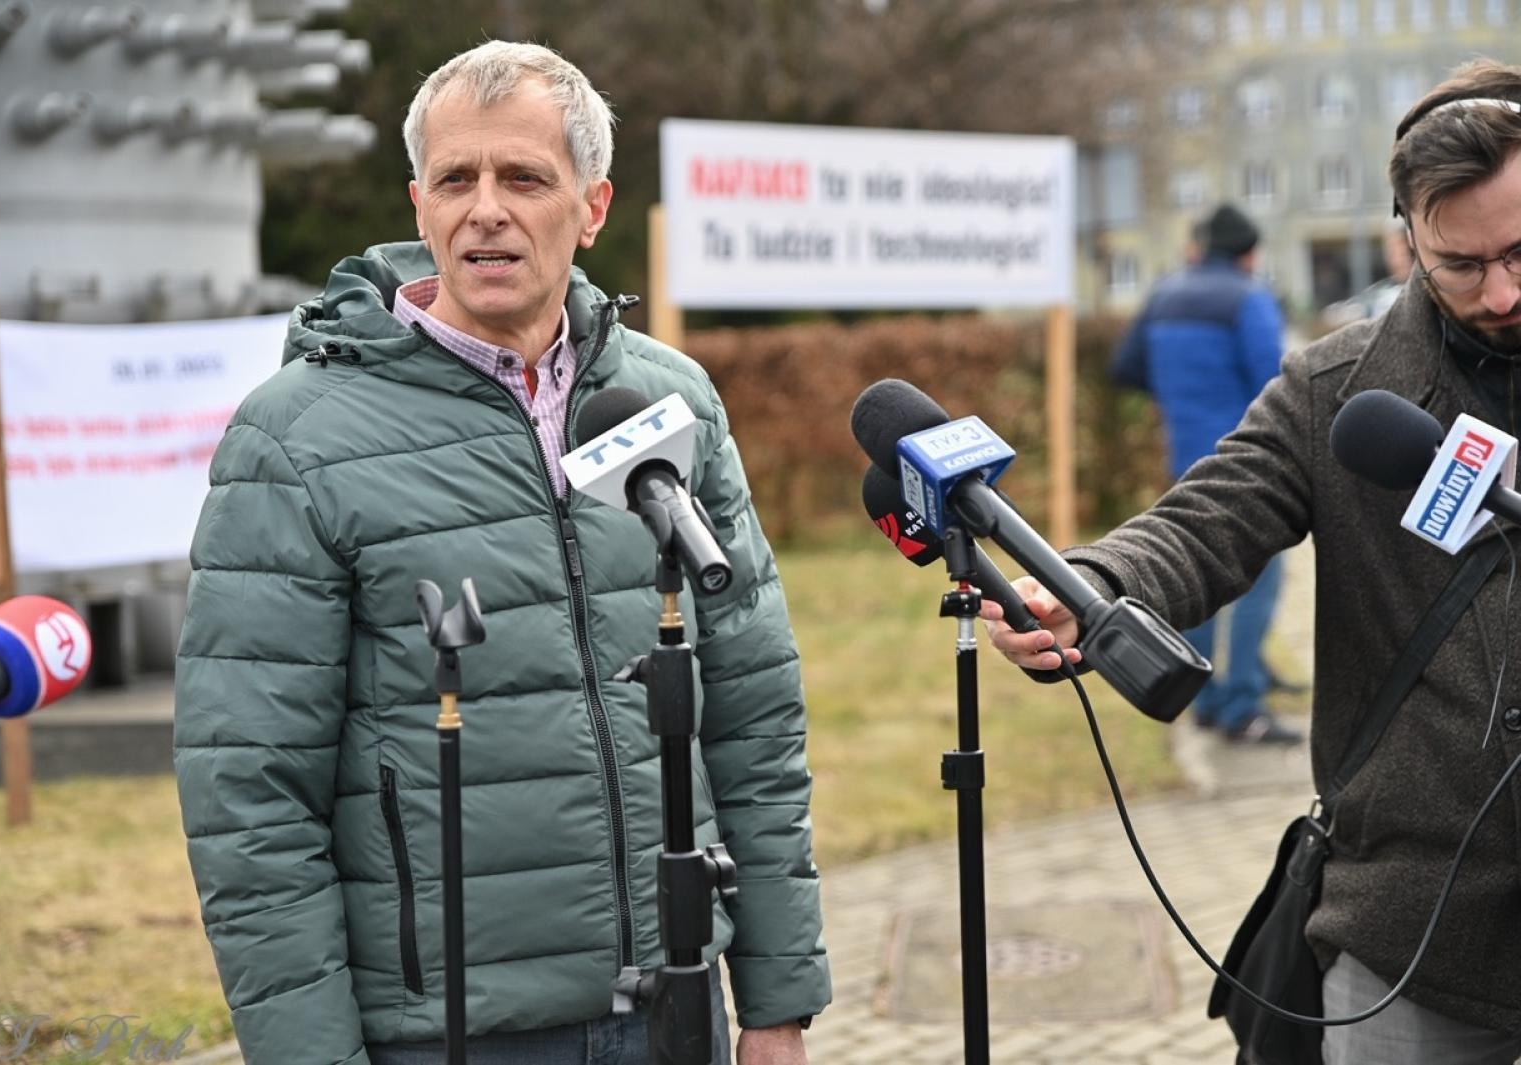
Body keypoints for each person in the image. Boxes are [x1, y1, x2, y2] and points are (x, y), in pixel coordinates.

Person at [174, 41, 829, 1065]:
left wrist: (779, 1004)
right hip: (444, 1033)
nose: (486, 209)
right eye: (456, 179)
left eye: (523, 177)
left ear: (592, 205)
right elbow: (248, 794)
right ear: (419, 205)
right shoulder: (293, 439)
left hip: (674, 1009)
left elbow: (752, 715)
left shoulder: (670, 401)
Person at [988, 58, 1521, 1064]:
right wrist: (1089, 586)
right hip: (1408, 929)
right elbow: (1201, 522)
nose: (1499, 291)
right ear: (1405, 241)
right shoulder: (1337, 390)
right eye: (1460, 264)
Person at [1109, 203, 1299, 744]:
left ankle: (1205, 699)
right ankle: (1243, 705)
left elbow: (1125, 366)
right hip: (1248, 467)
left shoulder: (1164, 294)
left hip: (1185, 460)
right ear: (1248, 253)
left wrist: (1178, 397)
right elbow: (1277, 384)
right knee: (1258, 587)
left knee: (1195, 580)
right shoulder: (1249, 299)